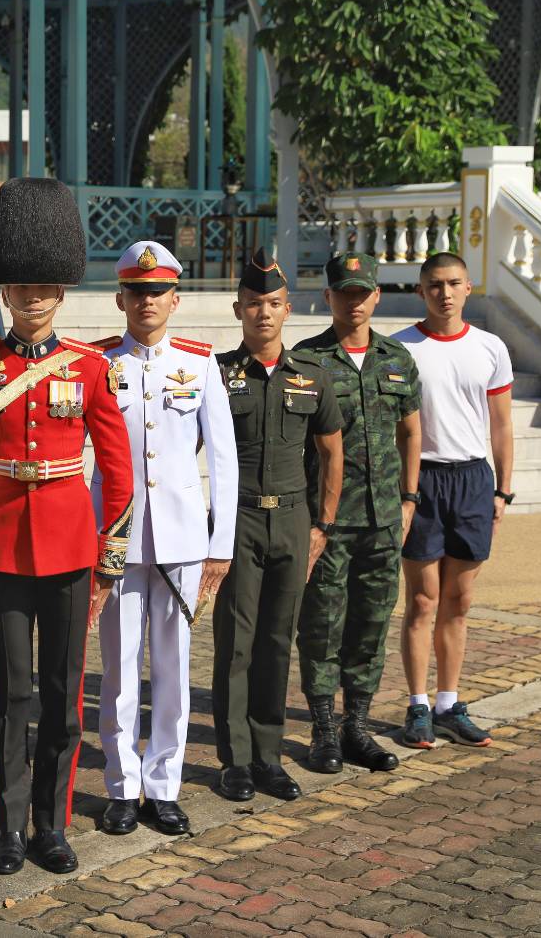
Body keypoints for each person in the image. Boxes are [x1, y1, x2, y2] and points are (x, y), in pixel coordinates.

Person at [0, 177, 134, 876]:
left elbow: (118, 472)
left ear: (61, 289)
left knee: (61, 697)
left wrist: (109, 560)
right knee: (7, 698)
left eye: (45, 285)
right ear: (6, 287)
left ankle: (52, 824)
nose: (33, 296)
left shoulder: (91, 368)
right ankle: (9, 827)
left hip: (71, 548)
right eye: (21, 284)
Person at [91, 241, 237, 839]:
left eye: (158, 292)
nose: (146, 301)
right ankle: (122, 786)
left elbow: (223, 459)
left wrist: (221, 544)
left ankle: (165, 785)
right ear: (120, 298)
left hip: (181, 536)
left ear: (175, 300)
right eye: (137, 291)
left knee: (174, 668)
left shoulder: (199, 364)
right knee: (119, 668)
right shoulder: (98, 363)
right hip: (118, 537)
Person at [212, 250, 344, 803]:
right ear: (237, 309)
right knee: (236, 644)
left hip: (293, 519)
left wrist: (323, 525)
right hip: (238, 518)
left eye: (272, 304)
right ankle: (236, 761)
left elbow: (332, 453)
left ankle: (268, 756)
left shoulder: (312, 377)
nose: (262, 313)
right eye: (252, 303)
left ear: (288, 310)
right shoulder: (217, 375)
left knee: (276, 641)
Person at [294, 252, 420, 775]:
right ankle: (324, 730)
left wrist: (409, 499)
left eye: (362, 293)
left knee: (371, 626)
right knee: (322, 627)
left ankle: (357, 727)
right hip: (328, 521)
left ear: (377, 296)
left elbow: (411, 431)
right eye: (344, 293)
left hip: (383, 518)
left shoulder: (397, 359)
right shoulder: (307, 360)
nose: (354, 302)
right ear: (328, 297)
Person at [392, 252, 514, 750]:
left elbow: (502, 424)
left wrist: (503, 489)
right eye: (435, 284)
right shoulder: (400, 348)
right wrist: (402, 491)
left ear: (468, 287)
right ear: (421, 290)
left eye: (453, 283)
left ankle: (449, 703)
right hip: (421, 480)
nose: (444, 293)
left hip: (472, 480)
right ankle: (418, 705)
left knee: (459, 600)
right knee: (423, 599)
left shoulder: (489, 347)